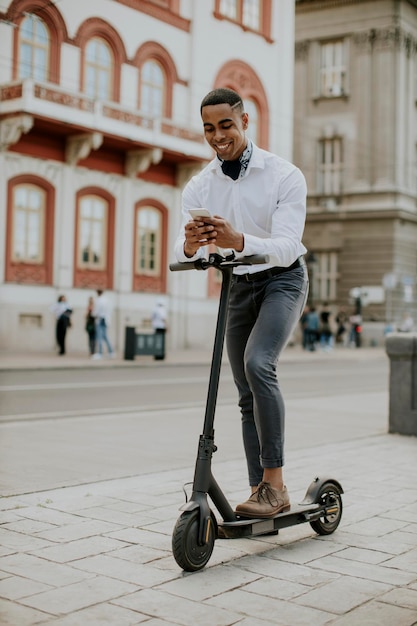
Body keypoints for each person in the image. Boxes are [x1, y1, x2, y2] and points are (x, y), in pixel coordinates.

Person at [174, 87, 308, 518]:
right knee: (245, 393)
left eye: (226, 125)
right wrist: (191, 247)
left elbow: (289, 246)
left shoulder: (284, 175)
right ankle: (260, 491)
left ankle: (276, 484)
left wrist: (240, 240)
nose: (218, 136)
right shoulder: (199, 186)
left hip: (282, 281)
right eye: (209, 128)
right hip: (237, 284)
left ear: (245, 122)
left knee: (258, 365)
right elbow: (185, 248)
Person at [91, 289, 114, 359]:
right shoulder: (106, 300)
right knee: (105, 336)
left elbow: (96, 311)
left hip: (100, 319)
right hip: (106, 319)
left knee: (99, 337)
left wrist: (93, 314)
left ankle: (100, 353)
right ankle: (111, 352)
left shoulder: (99, 300)